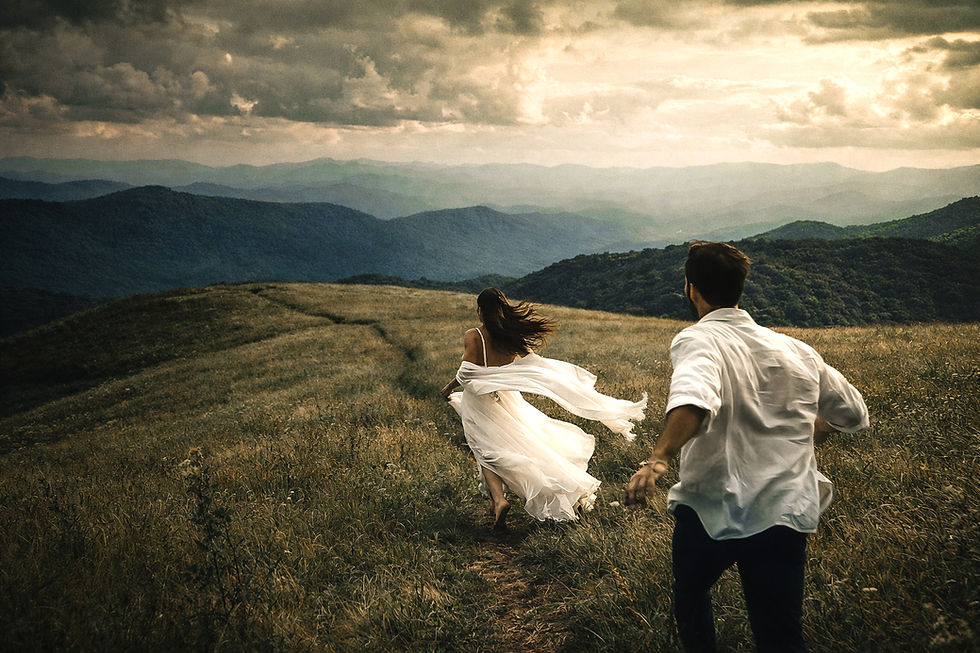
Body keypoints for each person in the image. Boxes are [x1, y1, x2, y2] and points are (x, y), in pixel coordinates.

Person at [625, 241, 869, 653]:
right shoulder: (797, 350)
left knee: (690, 594)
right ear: (740, 287)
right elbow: (855, 413)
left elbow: (694, 398)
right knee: (780, 635)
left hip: (711, 504)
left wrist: (659, 458)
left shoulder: (698, 339)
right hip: (783, 509)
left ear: (691, 290)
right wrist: (816, 428)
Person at [442, 288, 647, 530]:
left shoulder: (474, 335)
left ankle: (499, 501)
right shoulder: (510, 336)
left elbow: (466, 372)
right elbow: (533, 363)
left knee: (483, 448)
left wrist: (448, 388)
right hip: (508, 399)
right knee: (506, 445)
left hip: (478, 401)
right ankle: (498, 501)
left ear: (479, 310)